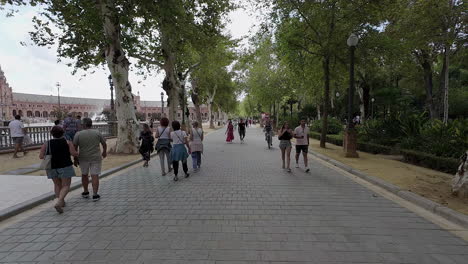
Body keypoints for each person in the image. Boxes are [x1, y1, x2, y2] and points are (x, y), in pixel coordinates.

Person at [39, 126, 78, 213]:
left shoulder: (46, 143)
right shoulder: (67, 142)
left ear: (51, 134)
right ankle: (59, 201)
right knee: (66, 185)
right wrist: (79, 153)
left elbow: (41, 156)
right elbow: (73, 153)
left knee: (57, 185)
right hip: (65, 165)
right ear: (63, 133)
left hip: (51, 167)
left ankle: (62, 202)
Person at [73, 118, 107, 201]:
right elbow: (104, 143)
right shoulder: (97, 133)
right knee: (95, 175)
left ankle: (85, 191)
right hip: (96, 157)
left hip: (83, 157)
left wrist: (75, 158)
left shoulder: (78, 134)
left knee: (84, 174)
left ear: (84, 125)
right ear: (91, 124)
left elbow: (74, 147)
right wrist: (104, 152)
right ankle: (95, 194)